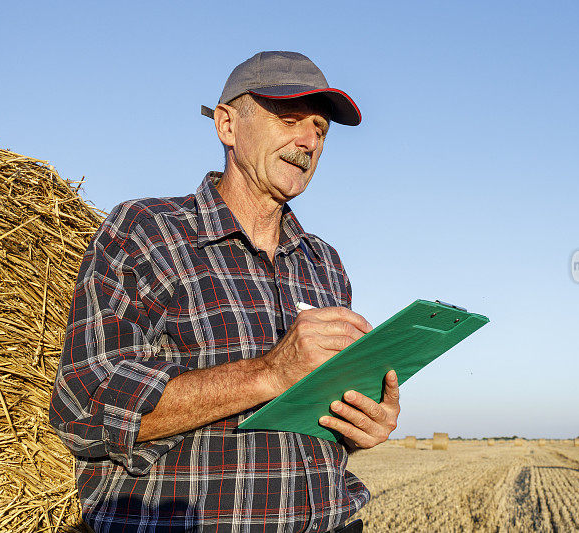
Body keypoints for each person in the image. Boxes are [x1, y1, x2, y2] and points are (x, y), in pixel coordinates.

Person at [49, 51, 399, 532]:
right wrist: (268, 374)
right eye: (289, 119)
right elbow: (82, 408)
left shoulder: (325, 264)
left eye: (320, 128)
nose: (308, 141)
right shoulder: (147, 233)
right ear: (227, 125)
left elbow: (320, 418)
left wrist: (361, 423)